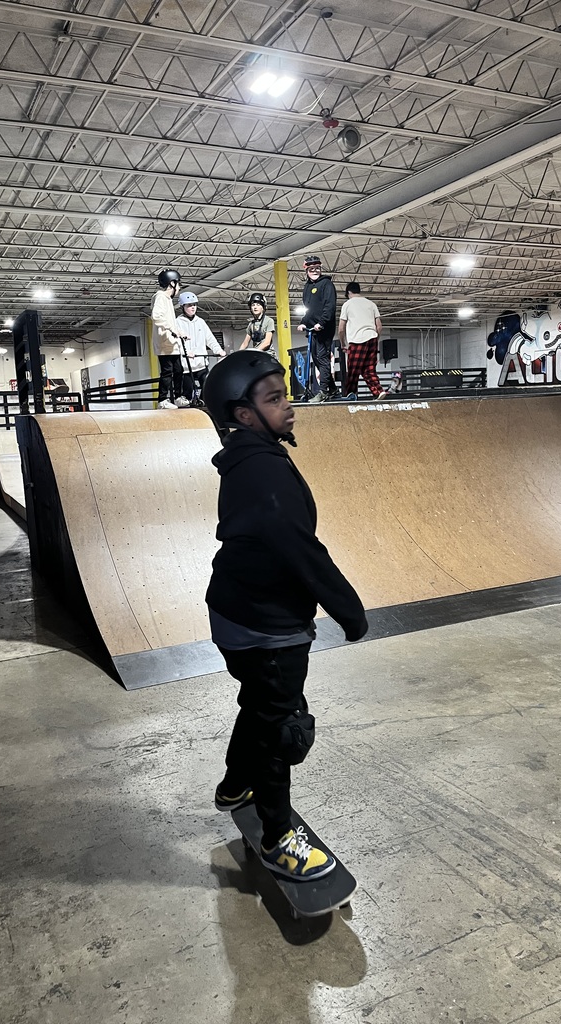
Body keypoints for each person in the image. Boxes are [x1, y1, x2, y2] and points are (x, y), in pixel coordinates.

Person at [203, 350, 368, 880]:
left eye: (285, 393)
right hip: (265, 623)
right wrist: (348, 609)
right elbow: (299, 547)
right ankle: (278, 837)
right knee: (282, 726)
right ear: (244, 414)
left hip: (235, 608)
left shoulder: (250, 456)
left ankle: (235, 784)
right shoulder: (264, 470)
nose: (288, 406)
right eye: (274, 399)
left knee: (257, 704)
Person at [297, 255, 338, 403]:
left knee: (322, 358)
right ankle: (333, 389)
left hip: (324, 328)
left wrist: (321, 322)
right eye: (311, 269)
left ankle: (324, 391)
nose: (315, 271)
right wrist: (303, 322)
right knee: (316, 358)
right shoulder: (307, 287)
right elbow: (308, 309)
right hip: (312, 329)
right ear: (306, 270)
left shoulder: (326, 284)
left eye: (317, 268)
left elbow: (329, 306)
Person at [338, 281, 389, 400]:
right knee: (369, 369)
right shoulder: (371, 304)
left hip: (357, 340)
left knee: (353, 371)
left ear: (348, 292)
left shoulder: (348, 304)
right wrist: (375, 339)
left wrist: (343, 343)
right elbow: (379, 326)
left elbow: (341, 328)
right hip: (372, 338)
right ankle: (378, 391)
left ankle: (350, 395)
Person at [176, 290, 226, 402]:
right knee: (187, 392)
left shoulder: (200, 322)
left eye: (194, 305)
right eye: (189, 305)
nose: (193, 307)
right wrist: (186, 352)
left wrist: (218, 350)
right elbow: (176, 342)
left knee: (207, 387)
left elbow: (210, 338)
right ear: (182, 307)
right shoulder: (178, 322)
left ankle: (205, 406)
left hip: (201, 363)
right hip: (186, 366)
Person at [152, 268, 190, 409]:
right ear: (172, 283)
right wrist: (172, 329)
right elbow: (156, 316)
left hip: (172, 343)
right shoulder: (161, 296)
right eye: (178, 284)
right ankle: (162, 400)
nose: (179, 288)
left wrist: (178, 331)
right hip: (164, 344)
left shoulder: (167, 299)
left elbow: (168, 321)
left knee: (178, 370)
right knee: (167, 372)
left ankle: (178, 397)